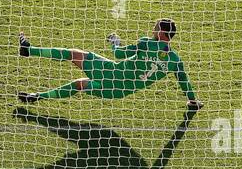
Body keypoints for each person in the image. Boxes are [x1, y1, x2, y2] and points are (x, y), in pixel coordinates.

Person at [18, 20, 202, 109]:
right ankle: (37, 96)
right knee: (79, 84)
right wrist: (193, 101)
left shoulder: (147, 43)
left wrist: (115, 41)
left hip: (111, 73)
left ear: (161, 31)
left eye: (155, 27)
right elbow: (184, 83)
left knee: (73, 54)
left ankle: (29, 50)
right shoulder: (175, 61)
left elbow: (120, 54)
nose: (152, 29)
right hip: (119, 91)